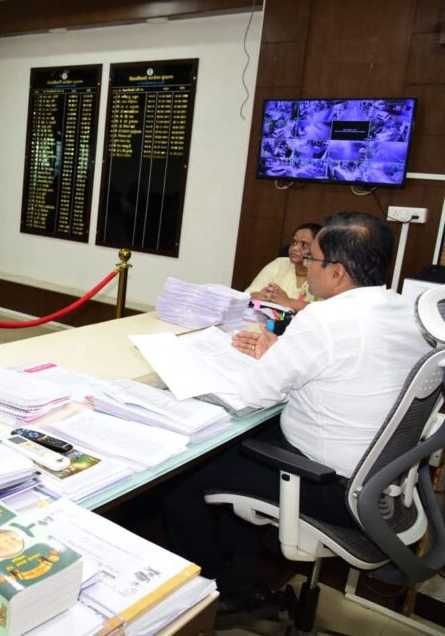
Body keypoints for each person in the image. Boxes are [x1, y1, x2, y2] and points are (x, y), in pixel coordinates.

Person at [162, 212, 429, 615]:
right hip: (379, 481)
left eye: (312, 259)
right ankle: (246, 579)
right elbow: (349, 370)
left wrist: (269, 361)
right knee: (239, 451)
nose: (305, 265)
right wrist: (281, 355)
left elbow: (251, 396)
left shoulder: (324, 319)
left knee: (181, 478)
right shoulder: (407, 313)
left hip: (327, 481)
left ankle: (218, 593)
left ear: (337, 272)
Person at [247, 222, 323, 312]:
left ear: (318, 249)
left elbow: (324, 310)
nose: (295, 248)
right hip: (264, 318)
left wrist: (288, 302)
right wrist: (261, 296)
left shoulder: (323, 273)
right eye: (294, 242)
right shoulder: (279, 264)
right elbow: (247, 296)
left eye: (304, 244)